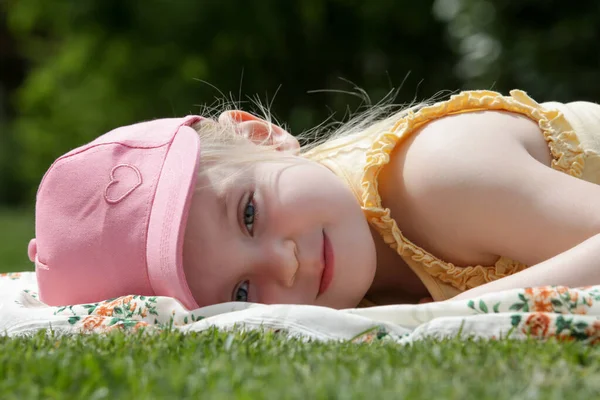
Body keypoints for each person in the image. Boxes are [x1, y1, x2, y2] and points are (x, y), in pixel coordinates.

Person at [28, 89, 600, 310]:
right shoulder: (349, 281)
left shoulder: (443, 176)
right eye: (243, 293)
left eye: (249, 214)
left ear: (262, 135)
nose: (284, 262)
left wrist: (430, 320)